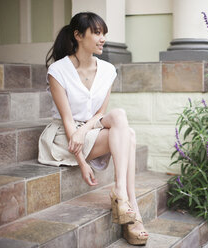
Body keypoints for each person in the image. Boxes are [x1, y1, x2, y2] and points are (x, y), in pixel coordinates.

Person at [38, 12, 148, 245]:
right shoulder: (58, 71)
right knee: (127, 134)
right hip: (63, 137)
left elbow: (100, 114)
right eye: (97, 32)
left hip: (89, 130)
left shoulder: (108, 70)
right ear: (78, 35)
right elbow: (68, 120)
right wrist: (82, 161)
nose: (102, 38)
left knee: (121, 121)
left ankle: (122, 196)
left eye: (104, 33)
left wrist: (83, 130)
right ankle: (132, 213)